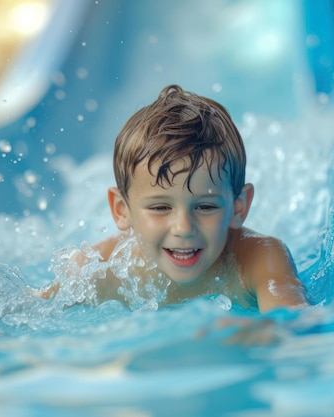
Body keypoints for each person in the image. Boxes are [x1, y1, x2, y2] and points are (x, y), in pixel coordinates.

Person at [38, 85, 308, 313]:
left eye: (205, 206)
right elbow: (31, 314)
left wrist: (253, 333)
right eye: (160, 207)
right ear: (122, 210)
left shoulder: (257, 259)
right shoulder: (99, 270)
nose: (183, 227)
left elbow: (295, 322)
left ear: (239, 207)